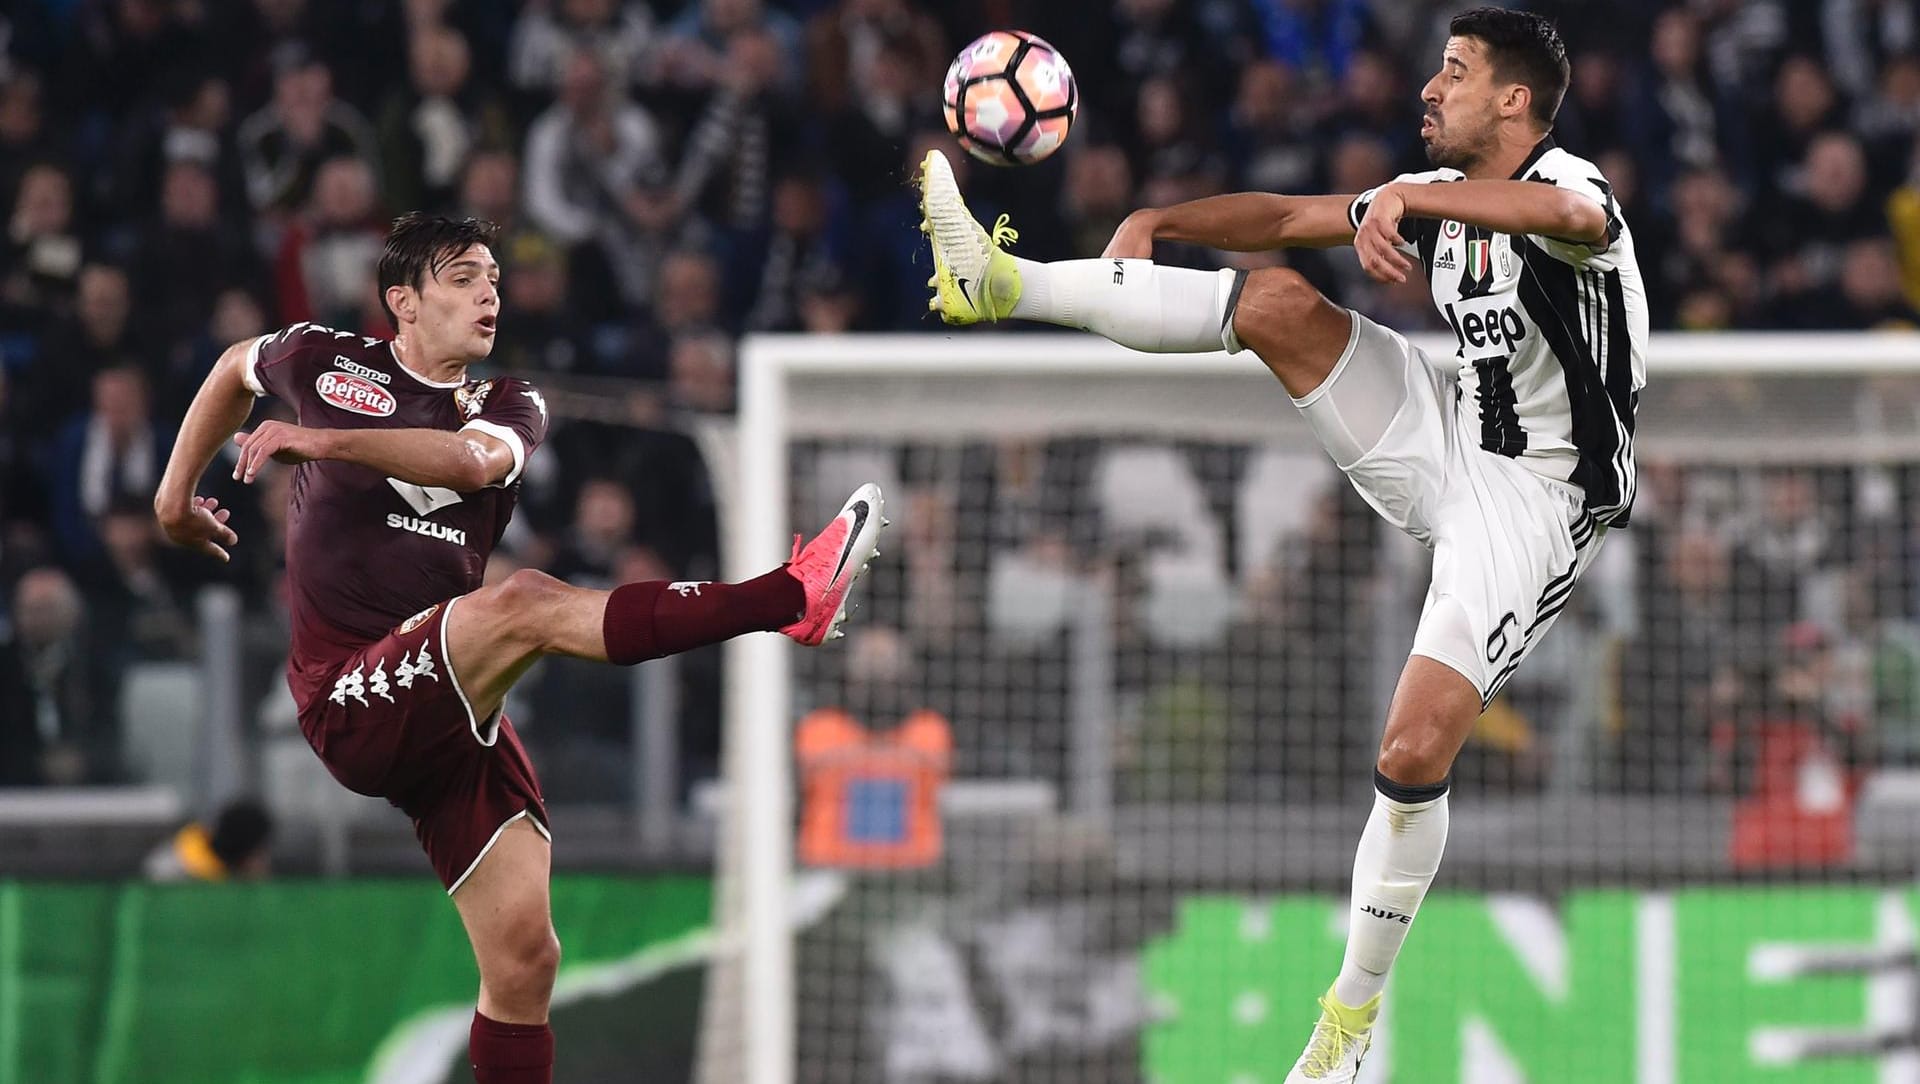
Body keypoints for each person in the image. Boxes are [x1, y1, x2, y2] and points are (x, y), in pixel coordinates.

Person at [915, 9, 1643, 1081]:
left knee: (1410, 753)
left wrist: (1409, 196)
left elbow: (1564, 213)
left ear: (1514, 102)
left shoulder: (1575, 190)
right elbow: (1295, 213)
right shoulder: (1436, 199)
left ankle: (1349, 1023)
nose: (1429, 90)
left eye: (1455, 72)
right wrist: (1162, 214)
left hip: (1537, 502)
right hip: (1449, 427)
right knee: (1280, 303)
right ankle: (1001, 284)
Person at [153, 213, 885, 1084]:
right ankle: (790, 597)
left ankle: (794, 598)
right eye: (464, 277)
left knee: (526, 962)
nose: (489, 293)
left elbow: (469, 466)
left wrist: (319, 439)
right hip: (348, 692)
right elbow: (235, 365)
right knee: (528, 602)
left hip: (449, 705)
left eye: (494, 278)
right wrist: (172, 498)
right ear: (405, 302)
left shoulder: (510, 403)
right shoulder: (321, 358)